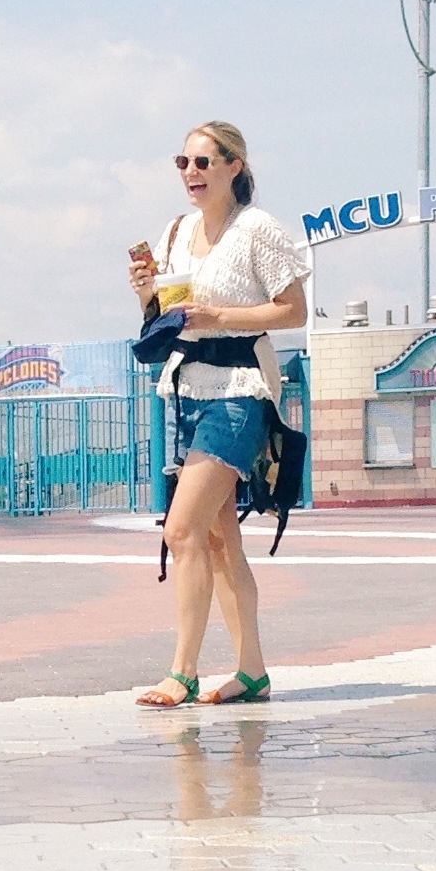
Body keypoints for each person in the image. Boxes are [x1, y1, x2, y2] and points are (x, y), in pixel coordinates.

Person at [130, 121, 308, 708]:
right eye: (183, 162)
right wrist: (147, 294)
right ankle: (252, 671)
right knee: (218, 538)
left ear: (235, 166)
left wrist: (221, 318)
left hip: (239, 390)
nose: (191, 173)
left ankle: (181, 672)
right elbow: (168, 314)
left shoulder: (258, 230)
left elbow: (294, 311)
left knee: (181, 529)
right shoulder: (176, 231)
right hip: (186, 388)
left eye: (204, 162)